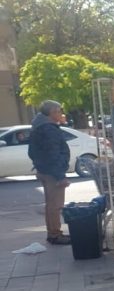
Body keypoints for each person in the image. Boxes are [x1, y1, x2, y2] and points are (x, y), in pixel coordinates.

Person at [27, 100, 71, 245]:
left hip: (44, 170)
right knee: (55, 204)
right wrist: (60, 176)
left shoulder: (39, 127)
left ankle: (52, 232)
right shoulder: (49, 129)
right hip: (52, 173)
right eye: (59, 111)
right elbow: (54, 154)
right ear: (52, 113)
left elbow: (32, 152)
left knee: (50, 204)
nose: (61, 113)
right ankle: (55, 234)